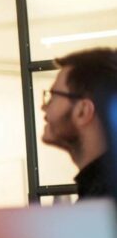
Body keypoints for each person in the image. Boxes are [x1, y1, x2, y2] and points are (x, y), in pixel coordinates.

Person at [41, 47, 117, 199]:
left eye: (53, 96)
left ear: (83, 111)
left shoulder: (104, 202)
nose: (43, 107)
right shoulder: (100, 192)